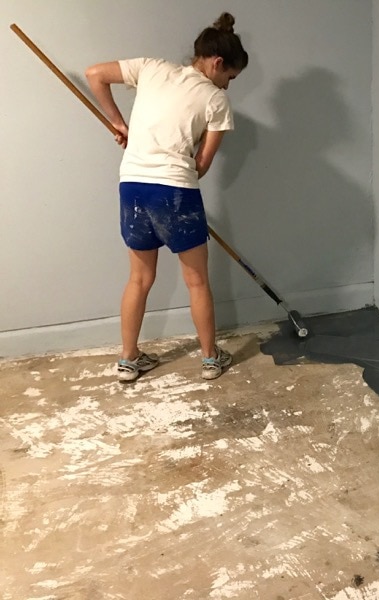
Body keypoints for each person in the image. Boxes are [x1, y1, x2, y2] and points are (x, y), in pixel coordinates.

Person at [85, 12, 248, 382]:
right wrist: (181, 170)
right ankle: (210, 359)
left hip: (133, 187)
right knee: (197, 282)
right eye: (230, 78)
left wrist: (118, 123)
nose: (228, 87)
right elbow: (201, 165)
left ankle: (128, 361)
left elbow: (94, 74)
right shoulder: (215, 100)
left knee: (138, 279)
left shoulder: (151, 68)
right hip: (176, 189)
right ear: (218, 63)